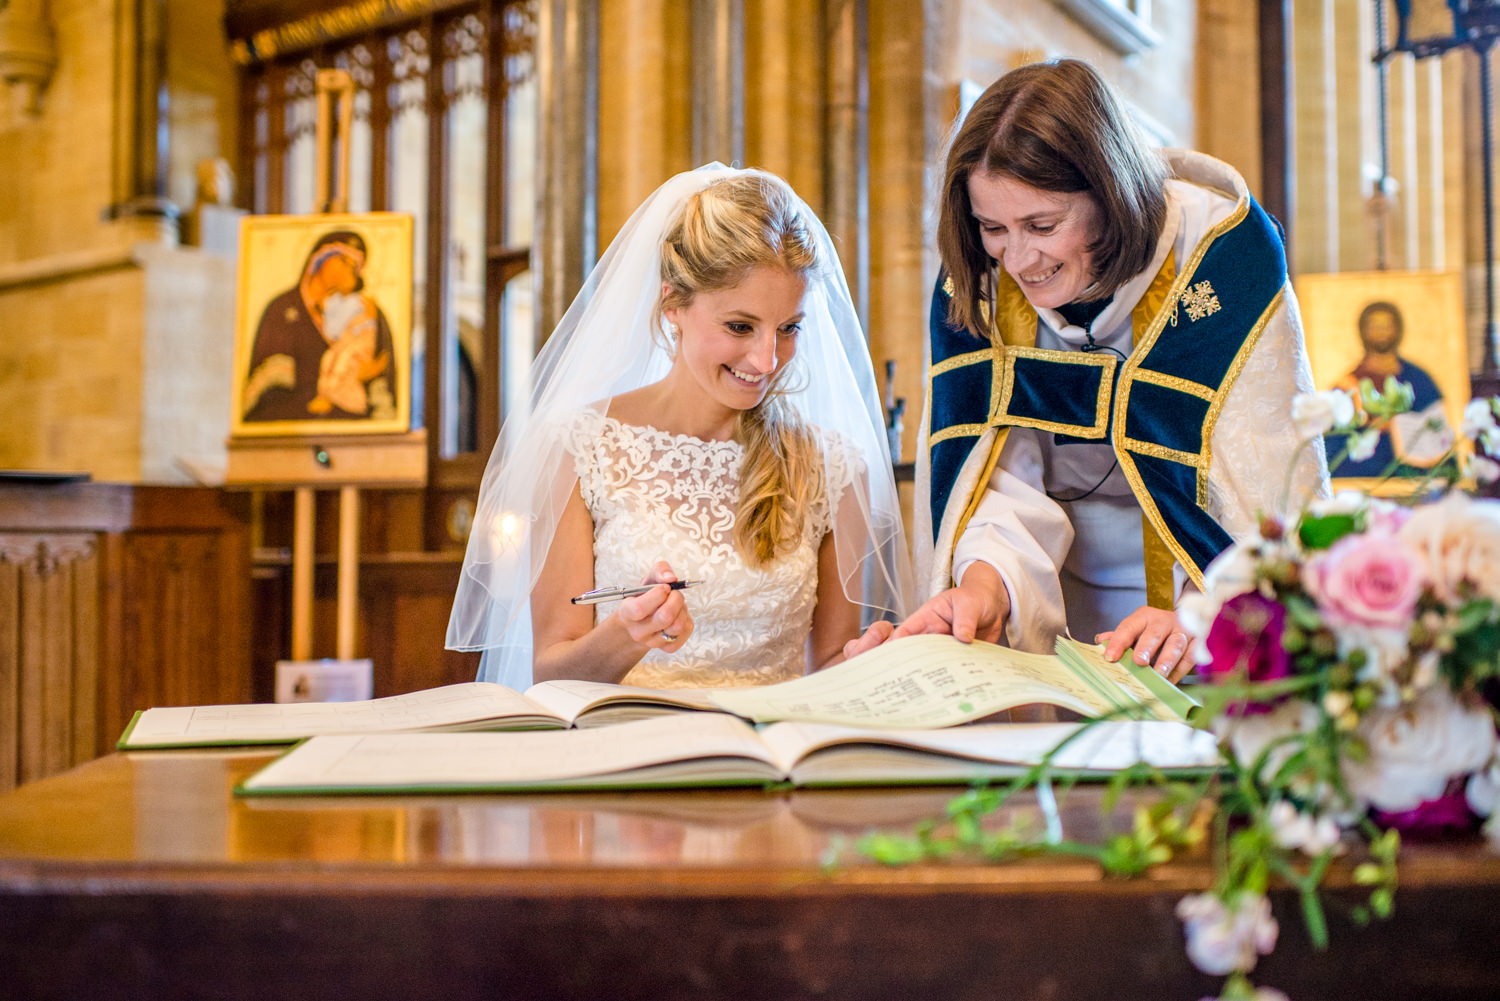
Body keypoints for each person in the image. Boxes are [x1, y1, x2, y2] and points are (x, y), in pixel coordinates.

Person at [847, 59, 1327, 682]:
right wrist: (984, 592)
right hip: (1052, 606)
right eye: (993, 227)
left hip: (1195, 593)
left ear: (1111, 193)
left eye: (1042, 225)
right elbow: (997, 475)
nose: (1018, 259)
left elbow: (1263, 479)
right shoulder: (981, 282)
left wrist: (1202, 610)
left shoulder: (1221, 257)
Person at [447, 165, 910, 690]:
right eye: (740, 326)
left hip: (769, 760)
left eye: (788, 329)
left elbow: (827, 666)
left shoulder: (832, 468)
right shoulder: (580, 448)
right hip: (630, 756)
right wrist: (627, 632)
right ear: (673, 303)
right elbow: (551, 670)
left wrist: (875, 661)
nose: (766, 359)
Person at [241, 230, 398, 423]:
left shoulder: (368, 314)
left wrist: (363, 377)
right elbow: (270, 389)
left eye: (355, 268)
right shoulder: (283, 309)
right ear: (319, 260)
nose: (348, 272)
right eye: (342, 261)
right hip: (293, 432)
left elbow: (382, 381)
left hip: (352, 431)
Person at [1327, 300, 1445, 477]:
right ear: (1363, 331)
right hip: (1364, 477)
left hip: (1412, 476)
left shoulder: (1419, 380)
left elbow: (1438, 431)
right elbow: (1334, 444)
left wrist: (1397, 425)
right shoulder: (1347, 386)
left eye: (1387, 325)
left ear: (1398, 329)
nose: (1381, 332)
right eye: (1374, 326)